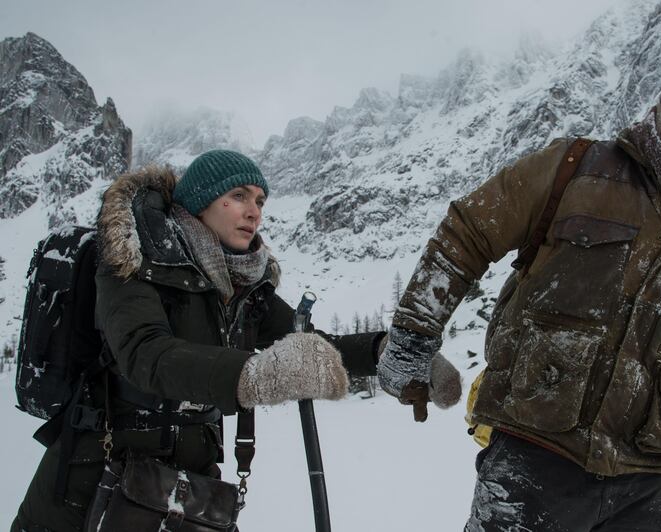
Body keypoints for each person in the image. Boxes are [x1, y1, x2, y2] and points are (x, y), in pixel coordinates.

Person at [377, 50, 661, 531]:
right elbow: (468, 232)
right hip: (533, 456)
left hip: (649, 487)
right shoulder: (575, 167)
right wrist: (412, 335)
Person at [12, 149, 386, 531]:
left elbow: (312, 345)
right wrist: (256, 375)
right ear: (201, 200)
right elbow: (146, 353)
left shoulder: (246, 284)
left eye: (259, 200)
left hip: (189, 491)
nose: (254, 211)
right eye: (239, 195)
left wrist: (384, 353)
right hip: (91, 484)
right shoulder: (133, 256)